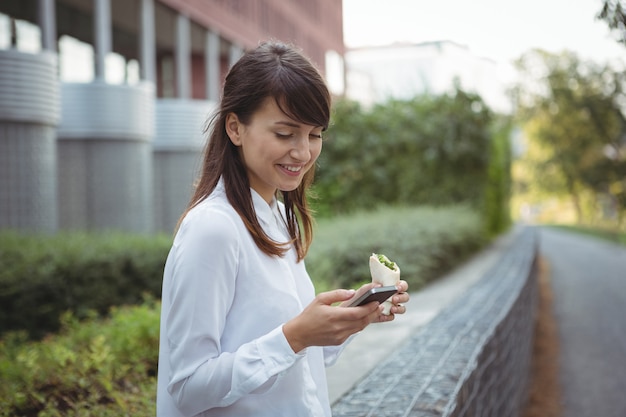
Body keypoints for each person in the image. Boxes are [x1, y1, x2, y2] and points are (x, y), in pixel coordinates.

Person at [156, 40, 410, 417]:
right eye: (285, 133)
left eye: (314, 134)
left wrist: (353, 317)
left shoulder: (276, 215)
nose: (304, 152)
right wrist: (294, 337)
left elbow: (296, 360)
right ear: (235, 128)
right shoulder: (213, 229)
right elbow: (189, 387)